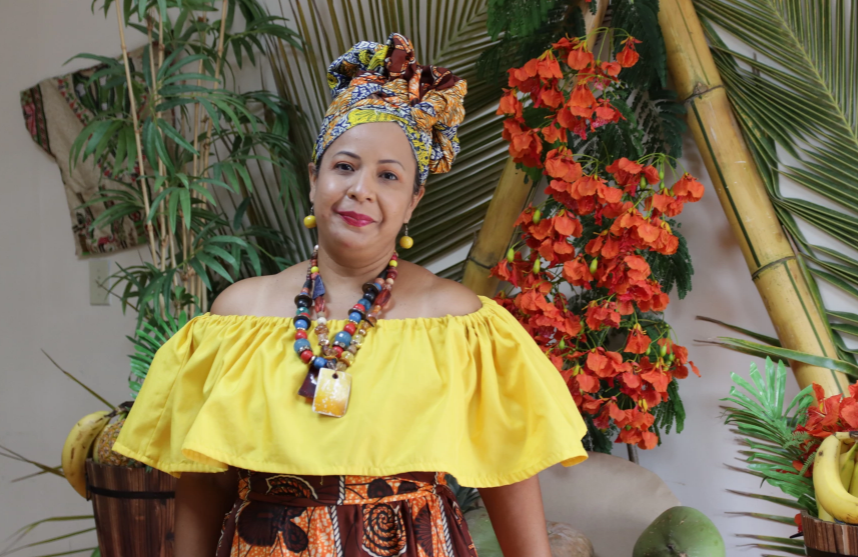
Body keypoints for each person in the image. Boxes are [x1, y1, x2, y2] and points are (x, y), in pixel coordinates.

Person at [113, 32, 589, 557]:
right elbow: (204, 486)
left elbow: (508, 471)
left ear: (413, 200)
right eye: (344, 166)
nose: (361, 189)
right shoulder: (236, 318)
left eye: (389, 176)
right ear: (313, 179)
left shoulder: (461, 323)